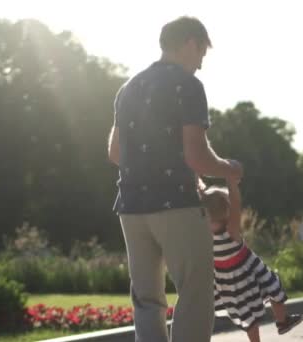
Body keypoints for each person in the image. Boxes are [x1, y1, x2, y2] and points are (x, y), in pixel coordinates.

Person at [107, 16, 243, 342]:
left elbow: (115, 153)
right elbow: (196, 156)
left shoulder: (129, 87)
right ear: (190, 43)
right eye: (201, 55)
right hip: (176, 205)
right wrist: (229, 168)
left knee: (147, 298)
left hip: (131, 207)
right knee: (195, 291)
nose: (200, 65)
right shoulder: (188, 85)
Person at [201, 179, 303, 342]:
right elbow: (236, 204)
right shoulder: (231, 229)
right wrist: (232, 184)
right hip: (246, 267)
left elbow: (205, 200)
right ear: (227, 209)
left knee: (246, 314)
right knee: (272, 285)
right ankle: (283, 320)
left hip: (226, 277)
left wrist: (200, 188)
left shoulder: (204, 231)